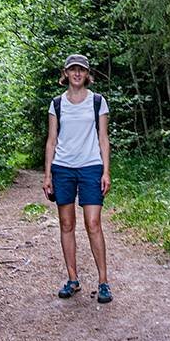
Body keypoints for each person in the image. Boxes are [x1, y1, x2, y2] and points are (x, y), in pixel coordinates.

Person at [43, 54, 113, 303]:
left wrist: (106, 171)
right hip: (62, 168)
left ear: (87, 74)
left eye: (81, 70)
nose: (76, 74)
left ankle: (103, 281)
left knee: (93, 223)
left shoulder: (97, 101)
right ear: (66, 73)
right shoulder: (57, 104)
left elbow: (103, 138)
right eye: (72, 70)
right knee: (66, 224)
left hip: (91, 166)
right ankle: (73, 279)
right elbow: (51, 140)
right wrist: (48, 174)